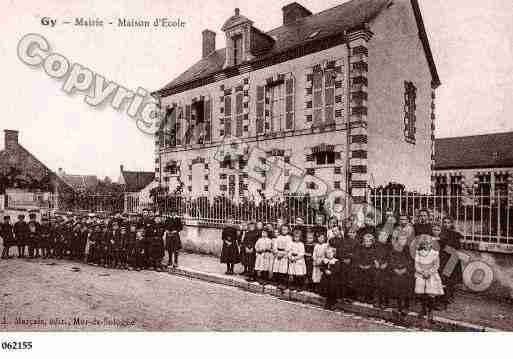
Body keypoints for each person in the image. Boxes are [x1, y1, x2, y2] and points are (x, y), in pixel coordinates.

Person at [415, 235, 444, 321]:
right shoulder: (418, 253)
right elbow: (416, 265)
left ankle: (430, 311)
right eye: (425, 243)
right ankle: (423, 309)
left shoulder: (434, 254)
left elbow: (436, 265)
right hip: (421, 274)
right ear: (422, 244)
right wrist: (422, 272)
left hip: (431, 275)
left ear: (431, 244)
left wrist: (429, 272)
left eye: (429, 243)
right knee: (421, 293)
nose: (427, 245)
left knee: (431, 294)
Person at [439, 217, 463, 307]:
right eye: (444, 222)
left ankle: (448, 297)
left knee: (450, 279)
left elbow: (456, 247)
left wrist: (445, 247)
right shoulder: (441, 233)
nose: (446, 224)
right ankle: (443, 297)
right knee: (443, 278)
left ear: (451, 224)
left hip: (452, 259)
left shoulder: (455, 234)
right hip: (443, 258)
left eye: (448, 222)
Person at [388, 236, 414, 315]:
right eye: (400, 239)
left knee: (406, 289)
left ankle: (406, 306)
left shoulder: (409, 250)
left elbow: (411, 261)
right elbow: (391, 259)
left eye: (404, 239)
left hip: (406, 272)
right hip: (396, 271)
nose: (402, 241)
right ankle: (398, 306)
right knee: (398, 288)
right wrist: (395, 268)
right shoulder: (395, 249)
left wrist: (405, 269)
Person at [354, 231, 376, 303]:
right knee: (361, 283)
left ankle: (369, 297)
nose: (367, 243)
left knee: (369, 283)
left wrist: (369, 266)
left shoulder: (373, 249)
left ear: (372, 242)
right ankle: (361, 296)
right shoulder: (361, 248)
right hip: (361, 268)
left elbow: (373, 259)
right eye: (366, 241)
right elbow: (358, 257)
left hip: (369, 269)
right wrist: (360, 265)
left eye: (369, 241)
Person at [374, 227, 391, 308]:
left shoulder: (389, 246)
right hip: (377, 267)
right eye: (381, 235)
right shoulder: (376, 245)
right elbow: (373, 255)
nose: (382, 237)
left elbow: (390, 257)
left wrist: (386, 264)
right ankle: (377, 300)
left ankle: (384, 301)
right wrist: (375, 261)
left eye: (384, 236)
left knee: (384, 285)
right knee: (377, 284)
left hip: (385, 268)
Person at [272, 224, 292, 288]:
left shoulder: (289, 238)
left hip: (284, 255)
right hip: (278, 254)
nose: (284, 231)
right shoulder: (278, 237)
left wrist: (283, 254)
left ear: (288, 230)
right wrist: (276, 252)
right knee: (277, 269)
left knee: (283, 270)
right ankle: (278, 282)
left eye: (285, 229)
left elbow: (289, 248)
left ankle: (284, 284)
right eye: (283, 229)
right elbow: (275, 246)